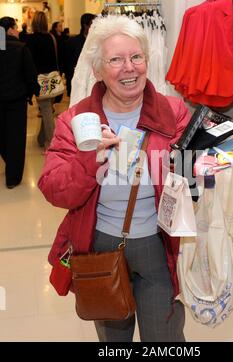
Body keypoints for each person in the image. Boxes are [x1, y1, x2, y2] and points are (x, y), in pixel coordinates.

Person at [38, 16, 191, 342]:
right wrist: (90, 161)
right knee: (113, 342)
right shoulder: (76, 119)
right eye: (116, 60)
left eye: (137, 57)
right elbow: (54, 189)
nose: (129, 68)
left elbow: (189, 184)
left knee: (163, 338)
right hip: (99, 246)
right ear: (97, 70)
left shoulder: (173, 112)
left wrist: (201, 171)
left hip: (156, 246)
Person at [0, 16, 39, 188]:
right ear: (9, 30)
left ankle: (10, 161)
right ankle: (13, 177)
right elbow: (30, 75)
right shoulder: (21, 48)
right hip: (16, 99)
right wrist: (33, 92)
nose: (17, 31)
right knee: (16, 137)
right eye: (15, 27)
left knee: (1, 135)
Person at [27, 11, 58, 149]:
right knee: (47, 109)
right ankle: (41, 138)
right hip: (51, 79)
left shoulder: (30, 40)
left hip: (39, 80)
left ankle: (51, 143)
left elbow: (30, 62)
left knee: (46, 110)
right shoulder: (51, 37)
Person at [65, 13, 96, 96]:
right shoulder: (73, 42)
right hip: (80, 83)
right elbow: (69, 67)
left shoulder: (98, 41)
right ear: (85, 25)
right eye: (93, 24)